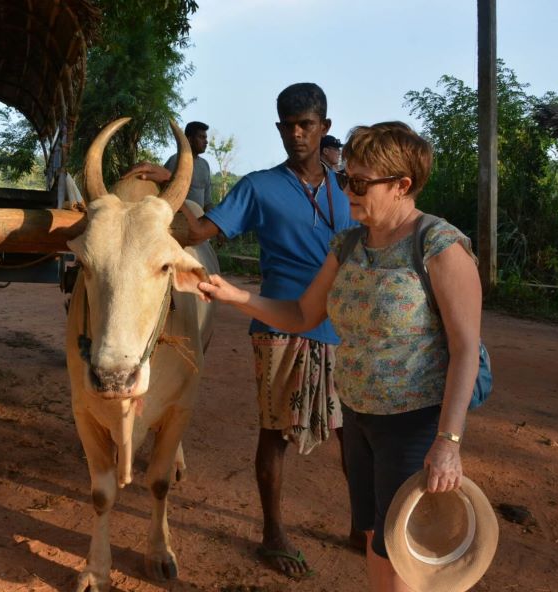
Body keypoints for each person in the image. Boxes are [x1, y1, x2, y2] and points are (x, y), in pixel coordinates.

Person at [197, 121, 482, 592]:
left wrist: (448, 442)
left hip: (414, 423)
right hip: (359, 417)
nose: (345, 187)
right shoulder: (348, 244)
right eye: (346, 176)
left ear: (402, 186)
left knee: (405, 548)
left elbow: (465, 348)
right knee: (374, 538)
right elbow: (303, 313)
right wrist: (235, 296)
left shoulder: (439, 247)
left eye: (359, 182)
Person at [181, 82, 357, 578]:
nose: (298, 134)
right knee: (275, 431)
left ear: (324, 127)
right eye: (289, 126)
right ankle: (272, 532)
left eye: (308, 125)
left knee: (354, 434)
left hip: (341, 328)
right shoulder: (257, 186)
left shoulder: (348, 188)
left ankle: (362, 525)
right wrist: (170, 184)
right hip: (279, 325)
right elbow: (197, 233)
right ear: (279, 129)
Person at [127, 120, 213, 210]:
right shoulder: (176, 161)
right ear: (190, 140)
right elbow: (168, 192)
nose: (206, 141)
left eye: (205, 138)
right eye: (201, 137)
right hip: (178, 216)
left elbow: (207, 201)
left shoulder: (205, 165)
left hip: (199, 219)